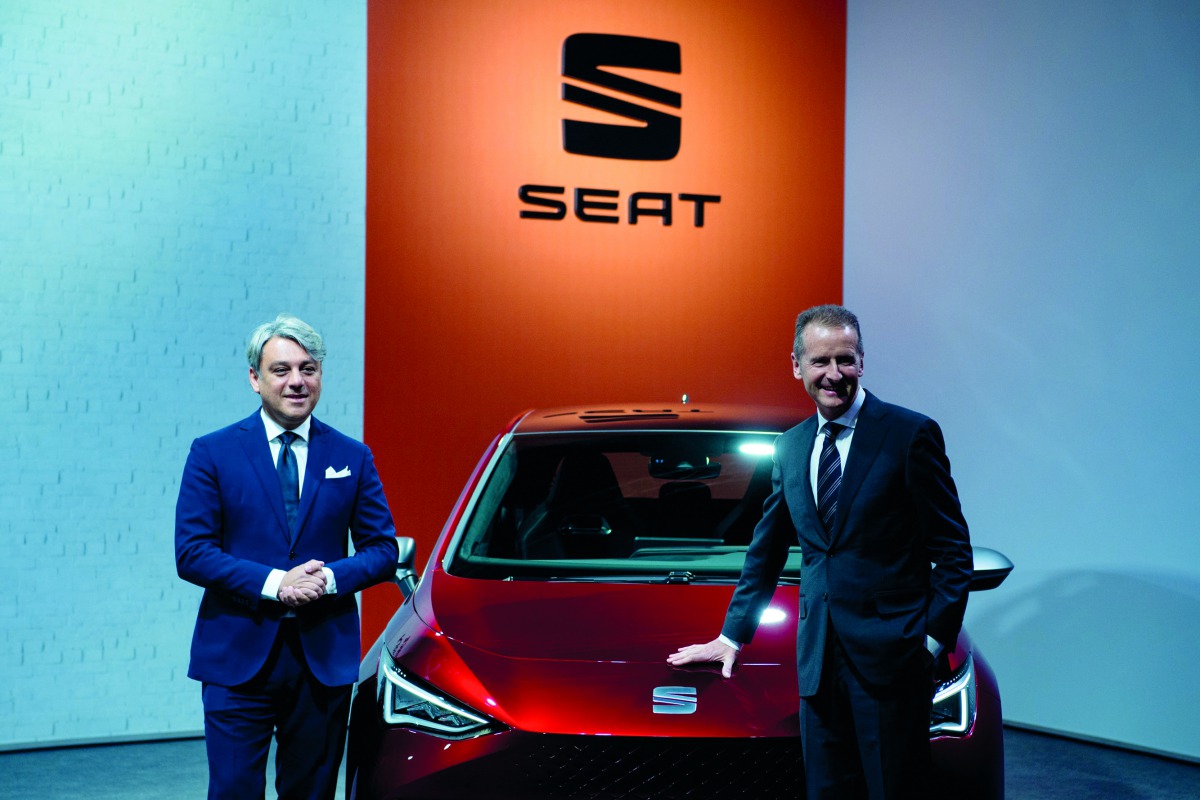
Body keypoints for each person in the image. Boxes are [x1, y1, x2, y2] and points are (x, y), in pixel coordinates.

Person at [668, 304, 973, 799]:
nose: (834, 375)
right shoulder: (790, 448)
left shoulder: (908, 435)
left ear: (861, 361)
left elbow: (954, 552)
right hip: (818, 665)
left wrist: (928, 647)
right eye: (820, 362)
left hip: (893, 666)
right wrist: (731, 636)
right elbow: (765, 553)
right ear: (796, 366)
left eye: (845, 360)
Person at [176, 313, 399, 800]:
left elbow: (383, 549)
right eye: (281, 370)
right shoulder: (212, 453)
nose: (297, 381)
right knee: (233, 791)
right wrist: (277, 584)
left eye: (308, 368)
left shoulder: (352, 455)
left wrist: (327, 579)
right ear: (254, 378)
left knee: (312, 792)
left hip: (322, 661)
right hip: (236, 657)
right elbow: (192, 553)